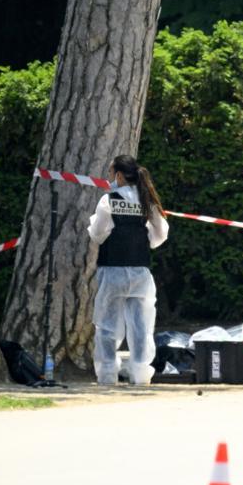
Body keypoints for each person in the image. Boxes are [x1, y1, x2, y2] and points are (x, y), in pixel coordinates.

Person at [87, 154, 169, 385]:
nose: (109, 178)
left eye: (111, 173)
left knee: (107, 327)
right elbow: (161, 232)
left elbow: (97, 234)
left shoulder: (108, 200)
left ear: (119, 175)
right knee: (142, 327)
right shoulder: (146, 200)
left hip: (112, 270)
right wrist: (146, 242)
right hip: (141, 272)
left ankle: (107, 376)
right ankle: (141, 375)